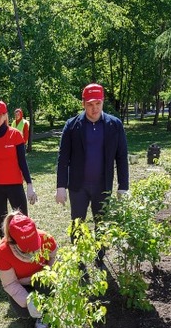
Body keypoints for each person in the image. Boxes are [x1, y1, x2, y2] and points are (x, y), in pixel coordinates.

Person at [55, 83, 129, 228]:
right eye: (90, 104)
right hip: (78, 187)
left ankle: (101, 252)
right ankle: (78, 251)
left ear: (103, 101)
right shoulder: (71, 126)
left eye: (98, 103)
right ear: (83, 103)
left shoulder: (115, 125)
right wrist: (61, 187)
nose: (94, 108)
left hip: (103, 186)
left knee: (102, 226)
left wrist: (123, 186)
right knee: (77, 226)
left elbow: (121, 157)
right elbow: (63, 158)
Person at [0, 100, 37, 237]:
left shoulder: (15, 135)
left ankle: (25, 251)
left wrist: (29, 184)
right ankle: (5, 253)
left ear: (5, 116)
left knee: (23, 221)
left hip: (15, 185)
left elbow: (23, 162)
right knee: (2, 224)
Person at [0, 212, 57, 328]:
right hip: (21, 283)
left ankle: (45, 313)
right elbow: (10, 283)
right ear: (13, 241)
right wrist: (29, 301)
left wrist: (51, 276)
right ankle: (35, 307)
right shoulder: (3, 252)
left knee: (47, 284)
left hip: (41, 278)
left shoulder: (46, 238)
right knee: (23, 311)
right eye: (28, 247)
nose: (34, 250)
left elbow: (53, 261)